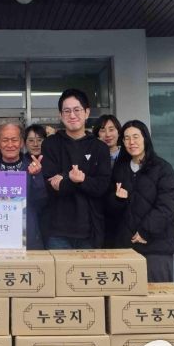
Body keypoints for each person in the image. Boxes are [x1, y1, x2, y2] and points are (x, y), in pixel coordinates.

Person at [108, 120, 174, 282]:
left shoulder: (162, 168)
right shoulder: (119, 169)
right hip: (125, 247)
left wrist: (145, 231)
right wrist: (118, 199)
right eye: (127, 138)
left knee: (156, 295)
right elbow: (109, 207)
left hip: (156, 248)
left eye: (136, 137)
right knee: (125, 296)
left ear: (145, 138)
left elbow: (168, 206)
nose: (131, 142)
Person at [41, 88, 111, 249]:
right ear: (60, 115)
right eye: (67, 111)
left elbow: (101, 187)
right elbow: (49, 186)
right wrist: (76, 180)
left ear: (87, 112)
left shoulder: (100, 147)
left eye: (77, 110)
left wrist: (72, 179)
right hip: (57, 232)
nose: (72, 115)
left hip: (90, 231)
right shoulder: (50, 144)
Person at [0, 122, 47, 249]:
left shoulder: (34, 167)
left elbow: (41, 204)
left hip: (28, 239)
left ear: (21, 142)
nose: (10, 144)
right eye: (5, 140)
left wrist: (36, 176)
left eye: (14, 140)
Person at [93, 114, 123, 248]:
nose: (108, 134)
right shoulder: (91, 158)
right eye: (103, 130)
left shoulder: (127, 156)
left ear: (119, 132)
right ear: (97, 134)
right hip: (98, 216)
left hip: (122, 217)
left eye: (111, 129)